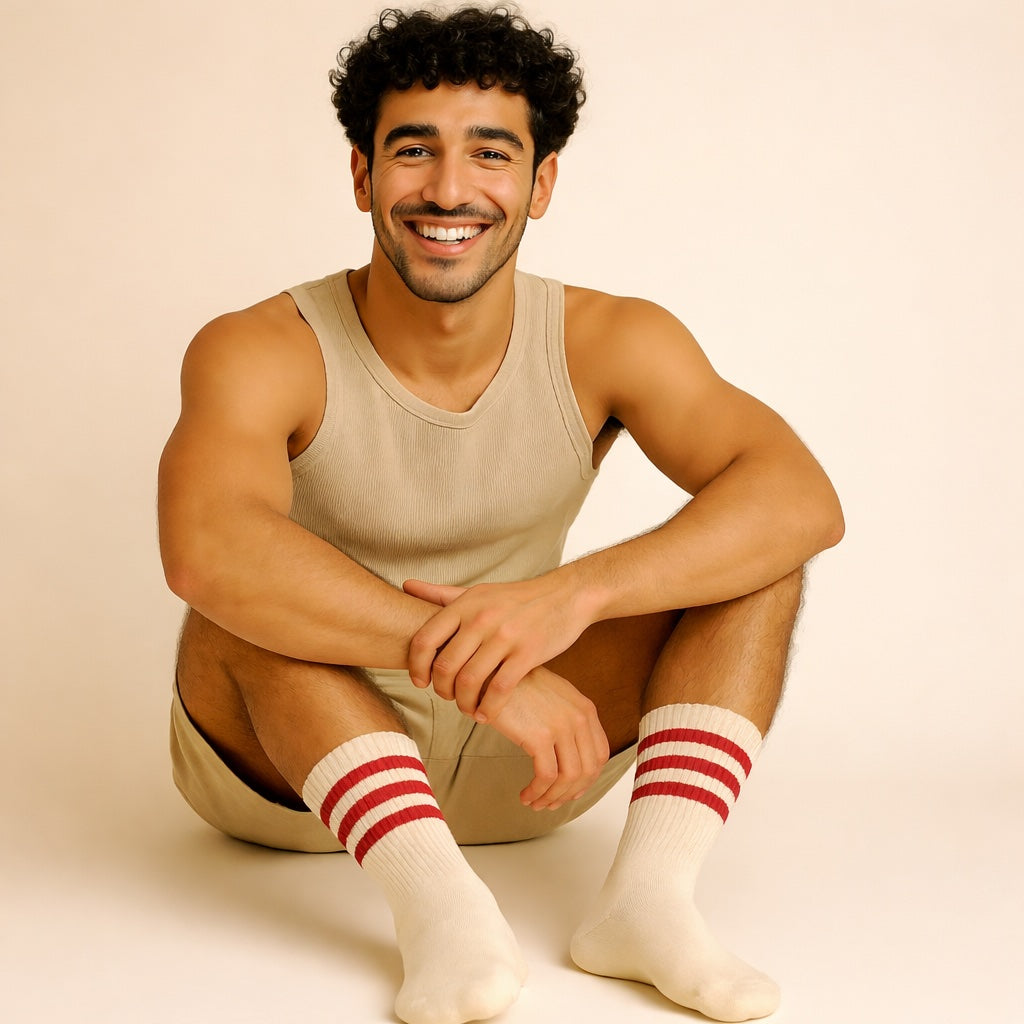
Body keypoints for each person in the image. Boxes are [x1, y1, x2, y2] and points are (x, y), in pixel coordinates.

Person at [158, 7, 844, 1024]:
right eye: (412, 151)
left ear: (541, 182)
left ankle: (648, 903)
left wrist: (568, 600)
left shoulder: (614, 337)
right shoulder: (258, 346)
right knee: (248, 590)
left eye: (489, 152)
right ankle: (441, 913)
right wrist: (483, 664)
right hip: (298, 775)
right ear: (361, 176)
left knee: (752, 553)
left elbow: (798, 495)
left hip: (528, 765)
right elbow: (208, 551)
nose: (447, 189)